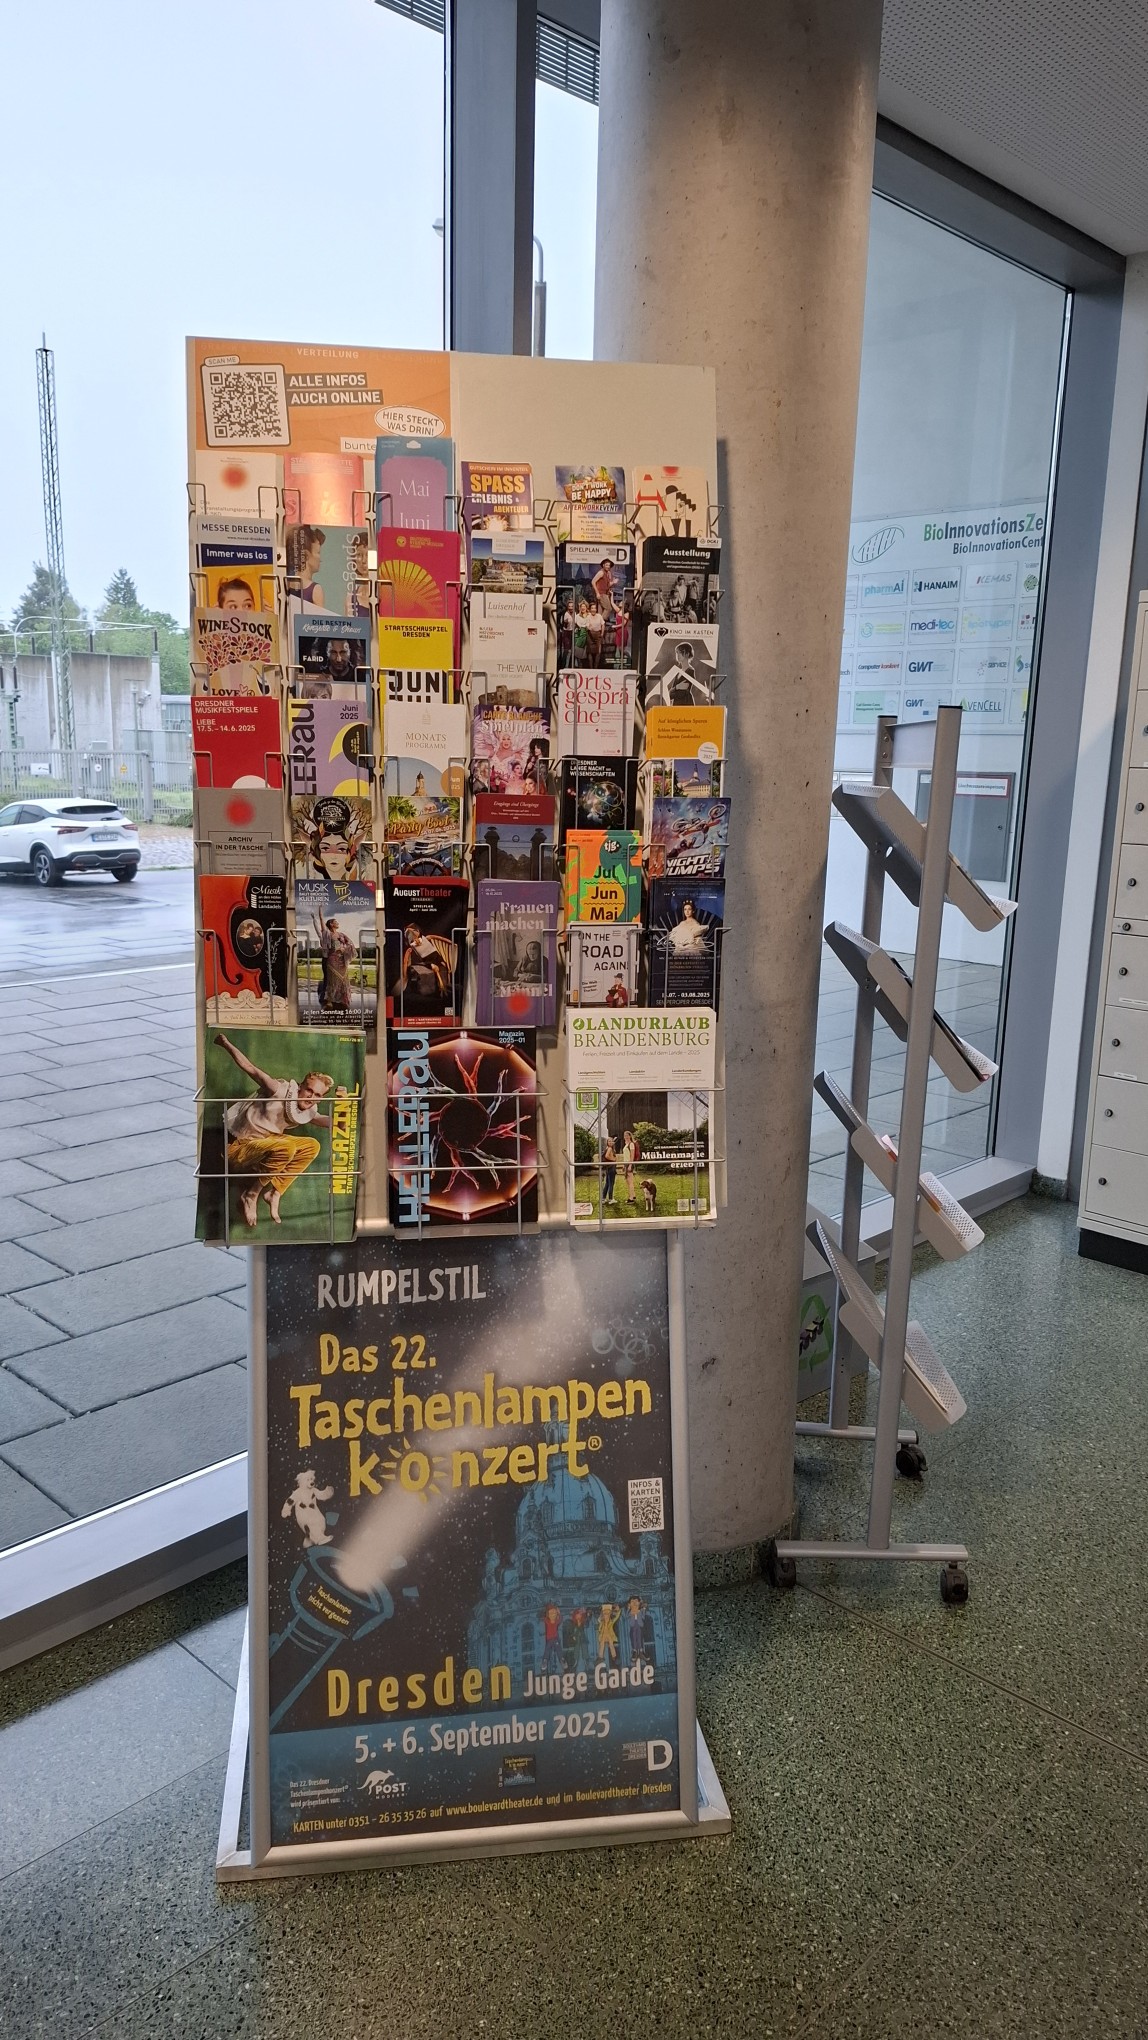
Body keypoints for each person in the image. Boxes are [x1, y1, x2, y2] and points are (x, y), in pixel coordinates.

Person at [213, 1032, 338, 1228]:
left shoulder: (307, 1109)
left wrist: (345, 1112)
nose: (311, 1097)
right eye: (309, 1090)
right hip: (236, 1147)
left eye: (317, 1095)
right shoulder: (278, 1090)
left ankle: (274, 1193)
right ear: (300, 1087)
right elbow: (250, 1068)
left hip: (264, 1146)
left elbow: (329, 1122)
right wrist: (225, 1043)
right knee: (286, 1147)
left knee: (311, 1146)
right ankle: (251, 1194)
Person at [313, 912, 353, 1013]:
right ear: (331, 924)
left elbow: (350, 944)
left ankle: (343, 1000)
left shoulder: (341, 935)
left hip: (342, 961)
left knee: (343, 980)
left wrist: (344, 949)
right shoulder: (327, 934)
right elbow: (321, 929)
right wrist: (320, 916)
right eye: (335, 922)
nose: (337, 923)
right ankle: (329, 1001)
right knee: (332, 980)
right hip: (331, 960)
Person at [286, 525, 326, 610]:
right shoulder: (315, 590)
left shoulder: (286, 584)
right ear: (306, 555)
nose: (320, 559)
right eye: (318, 552)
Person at [620, 1127, 640, 1205]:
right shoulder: (626, 1144)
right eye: (624, 1135)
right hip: (626, 1163)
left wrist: (630, 1165)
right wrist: (623, 1165)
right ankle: (633, 1195)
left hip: (629, 1163)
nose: (626, 1137)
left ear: (630, 1136)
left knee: (630, 1181)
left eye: (627, 1135)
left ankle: (631, 1198)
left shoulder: (631, 1144)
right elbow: (625, 1155)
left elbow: (632, 1155)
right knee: (628, 1181)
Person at [601, 1134, 617, 1206]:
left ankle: (603, 1198)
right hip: (611, 1167)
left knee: (607, 1183)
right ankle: (610, 1199)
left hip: (608, 1167)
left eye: (611, 1141)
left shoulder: (607, 1148)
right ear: (607, 1142)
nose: (610, 1142)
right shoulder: (610, 1148)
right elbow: (607, 1156)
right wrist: (613, 1159)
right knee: (611, 1184)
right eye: (609, 1141)